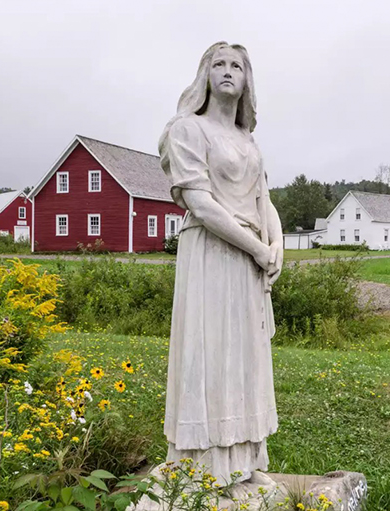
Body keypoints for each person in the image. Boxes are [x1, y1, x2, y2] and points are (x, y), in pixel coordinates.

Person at [158, 42, 283, 485]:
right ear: (205, 75)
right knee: (209, 353)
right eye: (219, 64)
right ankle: (202, 466)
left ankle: (244, 460)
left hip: (248, 262)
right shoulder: (187, 130)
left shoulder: (249, 142)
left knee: (244, 357)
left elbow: (263, 199)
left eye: (237, 65)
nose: (228, 71)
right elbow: (203, 205)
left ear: (247, 80)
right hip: (212, 254)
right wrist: (256, 246)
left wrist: (277, 244)